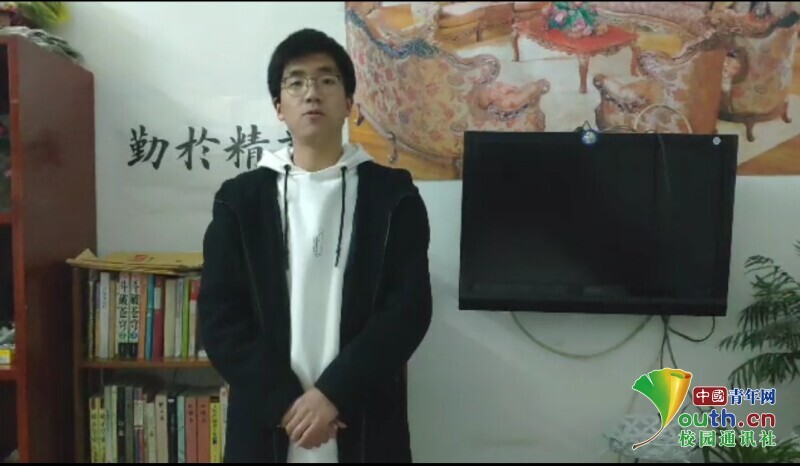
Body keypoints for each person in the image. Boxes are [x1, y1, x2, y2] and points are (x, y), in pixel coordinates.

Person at [198, 28, 433, 463]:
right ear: (278, 107)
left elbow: (407, 310)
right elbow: (220, 319)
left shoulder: (393, 197)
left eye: (327, 80)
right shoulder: (240, 201)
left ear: (348, 103)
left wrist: (333, 394)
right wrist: (286, 403)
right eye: (296, 82)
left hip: (363, 421)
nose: (312, 93)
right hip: (268, 425)